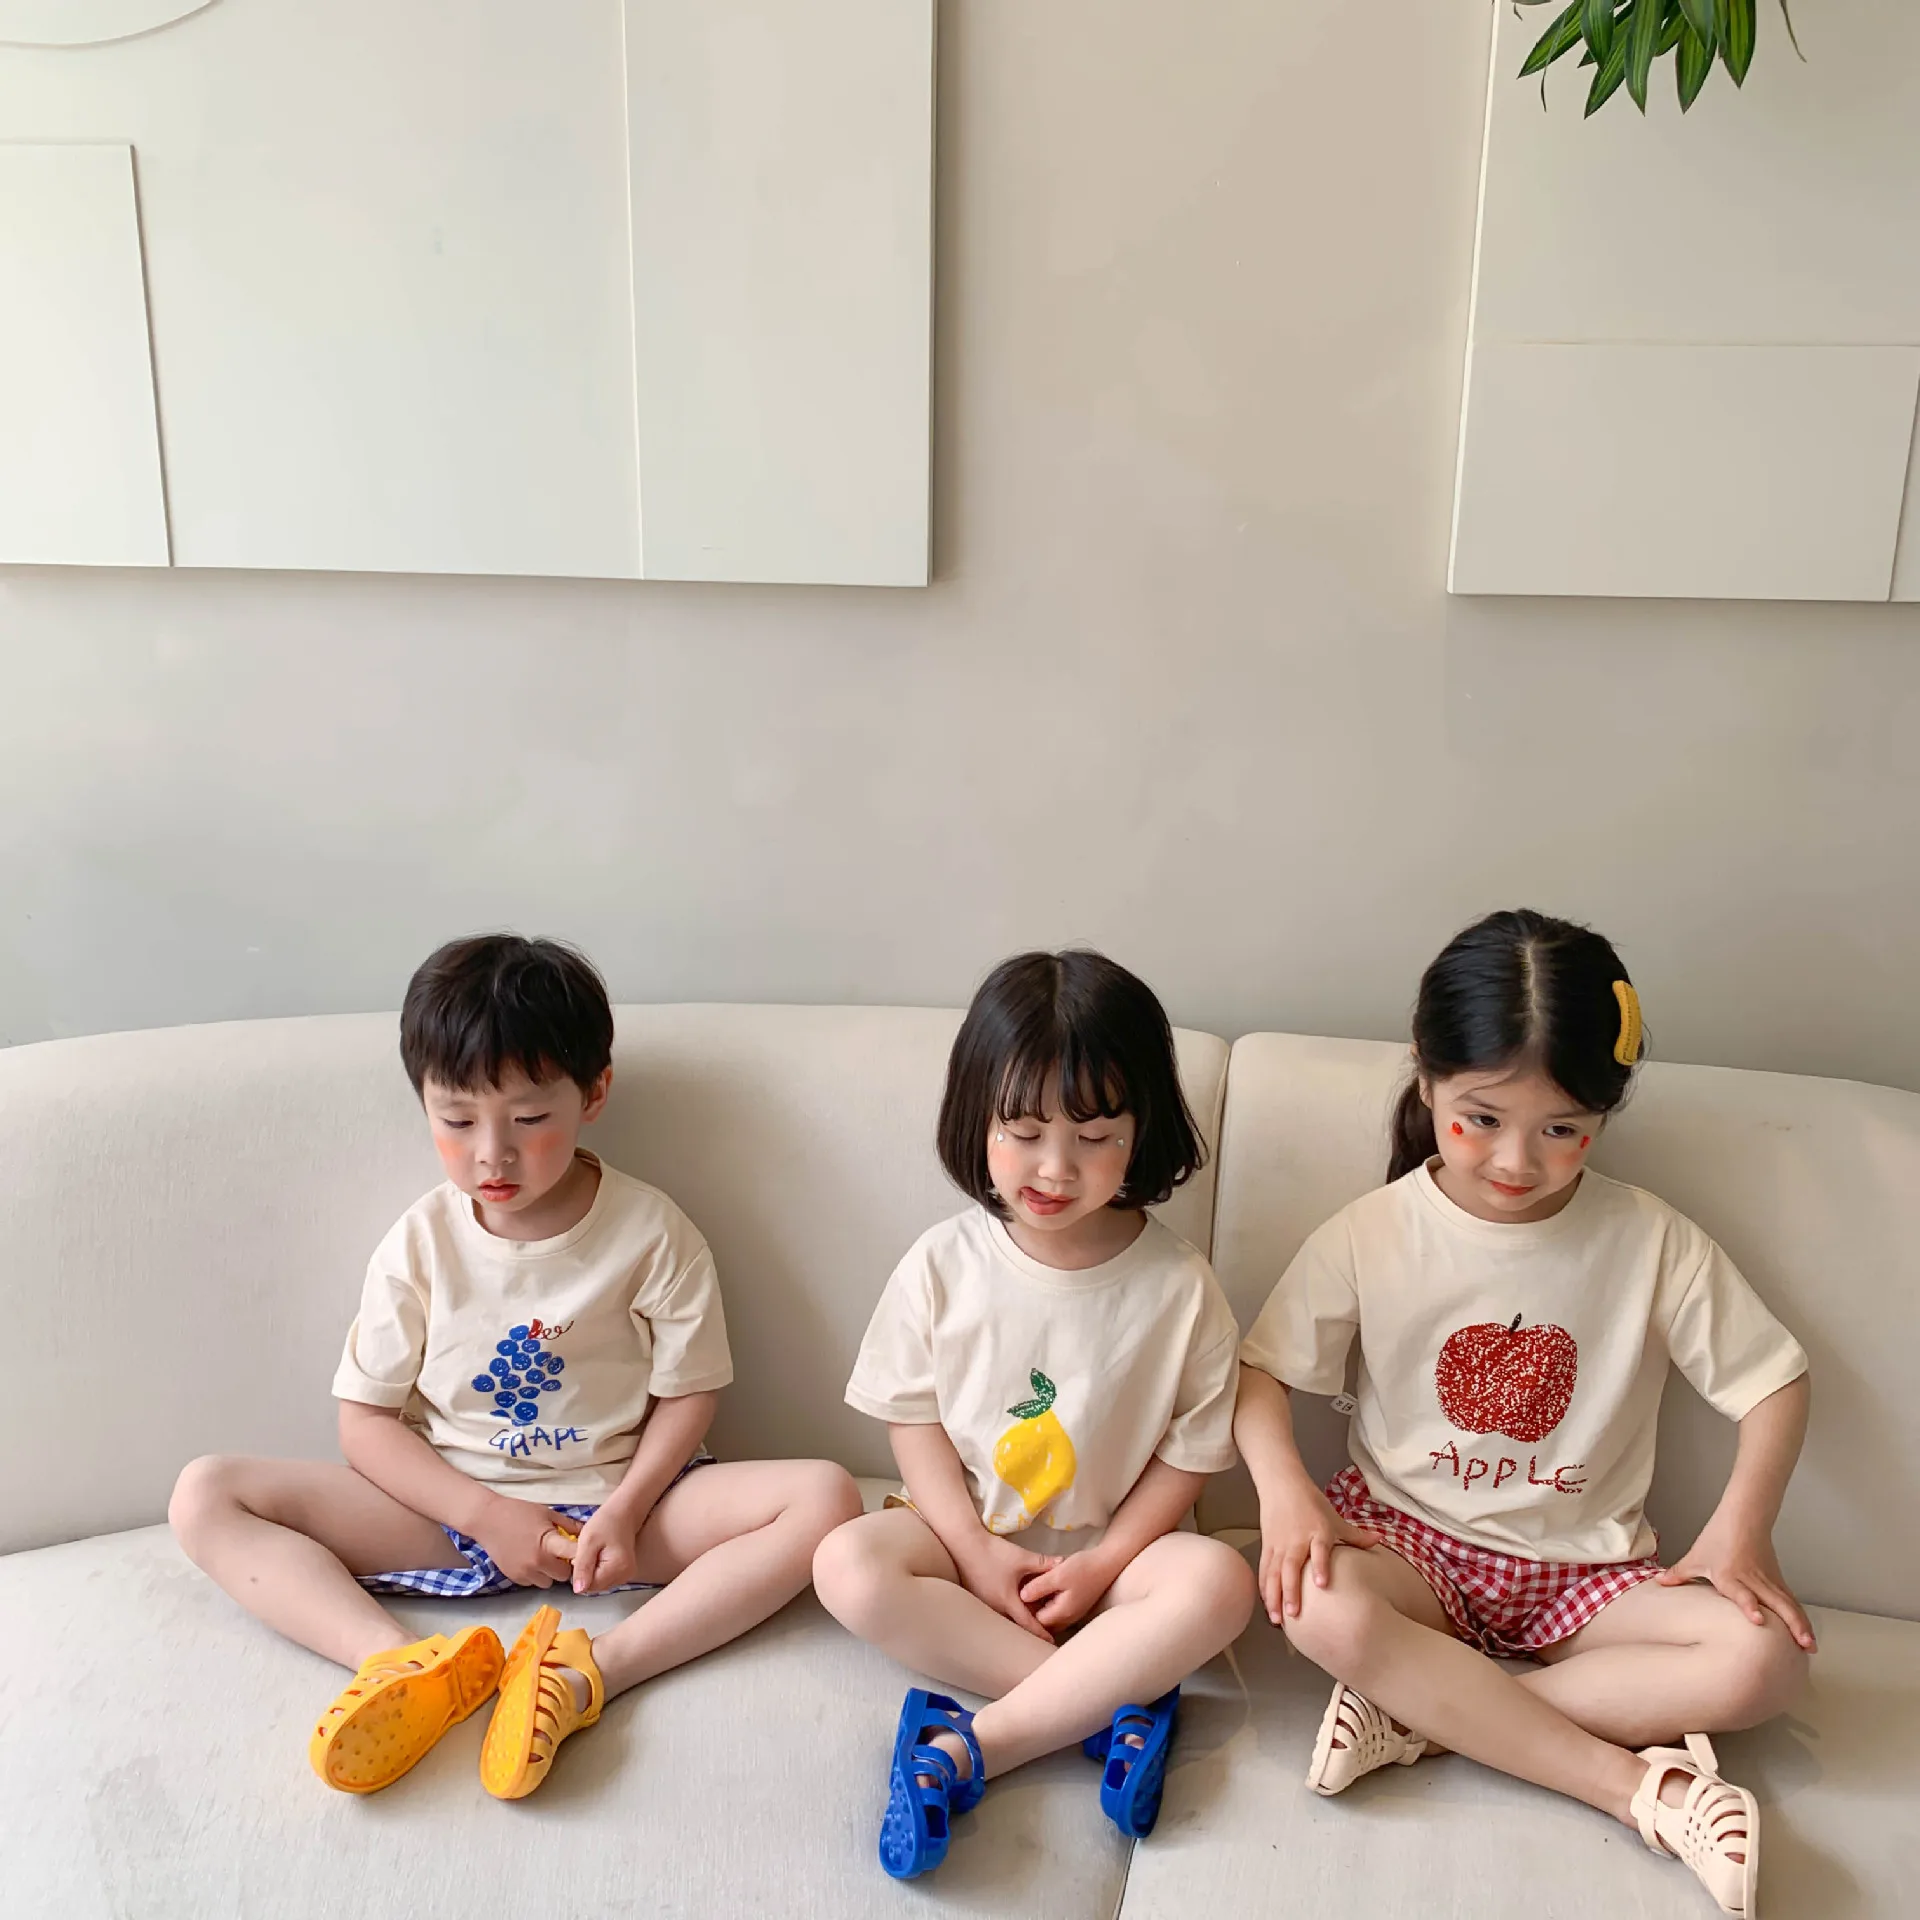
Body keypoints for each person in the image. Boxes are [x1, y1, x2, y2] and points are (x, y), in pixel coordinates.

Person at [169, 933, 860, 1798]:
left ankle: (586, 1674)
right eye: (456, 1121)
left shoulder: (653, 1232)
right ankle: (403, 1664)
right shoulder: (419, 1243)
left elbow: (690, 1396)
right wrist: (485, 1515)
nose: (491, 1154)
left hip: (617, 1515)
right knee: (205, 1493)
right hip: (447, 1508)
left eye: (529, 1121)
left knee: (827, 1495)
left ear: (594, 1093)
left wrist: (626, 1508)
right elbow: (365, 1423)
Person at [1235, 909, 1811, 1917]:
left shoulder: (1650, 1241)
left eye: (1561, 1130)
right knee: (1315, 1602)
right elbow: (1259, 1375)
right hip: (1411, 1548)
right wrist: (1286, 1493)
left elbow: (1775, 1382)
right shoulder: (1372, 1233)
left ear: (1603, 1115)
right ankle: (1640, 1790)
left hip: (1586, 1576)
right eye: (1482, 1119)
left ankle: (1423, 1716)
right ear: (1426, 1078)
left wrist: (1742, 1527)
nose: (1516, 1161)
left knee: (1766, 1661)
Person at [812, 948, 1256, 1879]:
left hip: (1116, 1561)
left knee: (1220, 1583)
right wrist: (974, 1554)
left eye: (1094, 1137)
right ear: (977, 1117)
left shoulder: (1180, 1288)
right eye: (1022, 1131)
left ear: (1142, 1130)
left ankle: (970, 1745)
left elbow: (1190, 1456)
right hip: (965, 1537)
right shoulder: (942, 1264)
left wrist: (1103, 1564)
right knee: (845, 1564)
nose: (1055, 1168)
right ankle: (1107, 1709)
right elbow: (913, 1421)